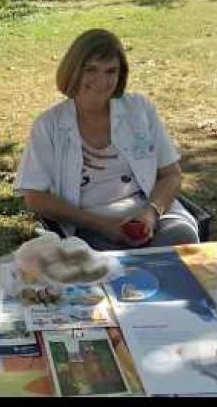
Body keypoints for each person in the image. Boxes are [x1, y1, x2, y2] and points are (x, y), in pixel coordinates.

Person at [14, 28, 199, 250]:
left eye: (111, 71)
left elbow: (171, 175)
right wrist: (101, 225)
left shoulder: (139, 109)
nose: (101, 81)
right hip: (88, 223)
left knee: (181, 239)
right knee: (101, 261)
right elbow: (35, 197)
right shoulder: (49, 125)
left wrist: (151, 212)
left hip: (151, 212)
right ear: (73, 71)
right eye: (90, 69)